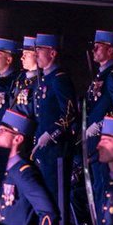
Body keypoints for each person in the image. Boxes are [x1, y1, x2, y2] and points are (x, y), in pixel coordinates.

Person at [0, 110, 59, 225]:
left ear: (17, 139)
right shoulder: (6, 169)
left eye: (2, 131)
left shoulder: (23, 173)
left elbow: (48, 213)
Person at [28, 33, 77, 214]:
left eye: (40, 50)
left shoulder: (59, 78)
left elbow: (70, 113)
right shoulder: (45, 79)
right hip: (44, 150)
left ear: (52, 53)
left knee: (56, 198)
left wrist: (51, 133)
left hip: (57, 149)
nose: (36, 54)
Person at [83, 29, 113, 204]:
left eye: (98, 47)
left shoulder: (112, 76)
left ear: (110, 50)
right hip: (93, 141)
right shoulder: (101, 75)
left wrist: (101, 125)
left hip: (103, 140)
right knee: (96, 185)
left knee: (103, 186)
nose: (94, 50)